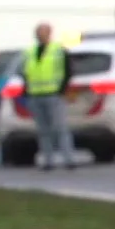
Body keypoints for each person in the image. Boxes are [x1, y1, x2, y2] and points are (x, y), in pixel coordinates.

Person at [22, 22, 75, 171]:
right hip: (35, 95)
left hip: (54, 95)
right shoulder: (30, 51)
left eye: (43, 31)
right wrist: (26, 91)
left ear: (50, 33)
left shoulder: (58, 50)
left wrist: (61, 90)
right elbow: (25, 73)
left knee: (60, 128)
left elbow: (68, 71)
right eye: (38, 32)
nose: (40, 34)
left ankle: (68, 159)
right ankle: (48, 161)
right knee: (43, 131)